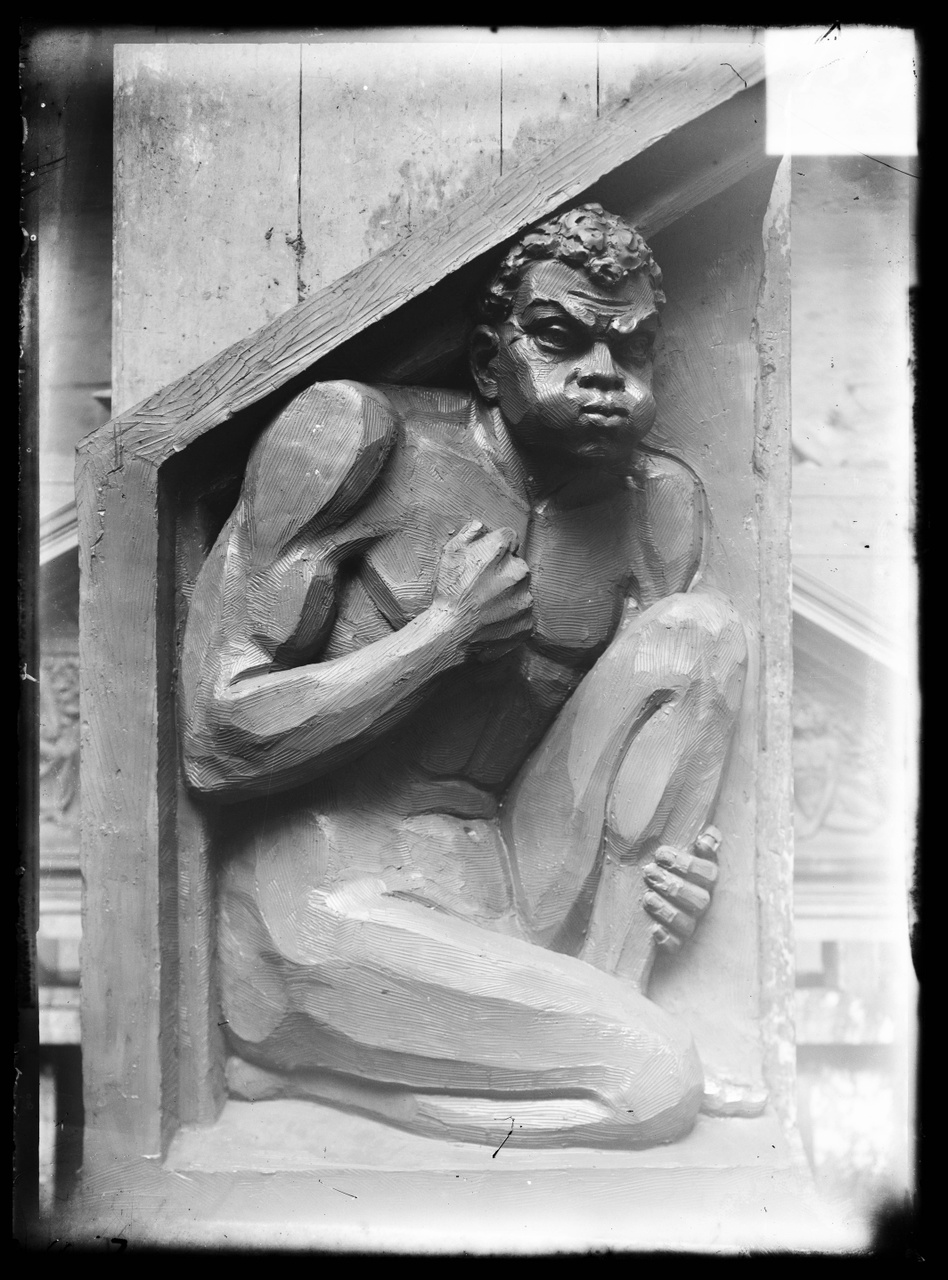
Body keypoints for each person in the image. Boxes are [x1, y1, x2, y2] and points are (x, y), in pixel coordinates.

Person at [180, 204, 748, 1148]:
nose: (603, 379)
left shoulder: (656, 507)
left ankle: (605, 1021)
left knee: (698, 637)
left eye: (633, 350)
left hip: (517, 899)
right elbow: (216, 740)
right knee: (657, 1080)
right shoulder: (356, 439)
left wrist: (673, 876)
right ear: (489, 360)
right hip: (325, 905)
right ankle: (607, 1060)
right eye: (561, 339)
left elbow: (646, 776)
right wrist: (437, 638)